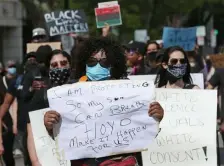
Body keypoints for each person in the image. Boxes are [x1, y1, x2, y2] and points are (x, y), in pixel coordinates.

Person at [43, 37, 164, 166]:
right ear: (84, 64)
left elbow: (147, 134)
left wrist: (157, 117)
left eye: (104, 62)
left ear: (113, 64)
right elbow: (64, 136)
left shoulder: (131, 93)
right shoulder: (70, 95)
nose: (98, 66)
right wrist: (50, 125)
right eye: (91, 61)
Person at [26, 49, 72, 166]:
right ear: (49, 69)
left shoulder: (81, 89)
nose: (60, 67)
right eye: (54, 65)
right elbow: (32, 130)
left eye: (63, 63)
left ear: (70, 65)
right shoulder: (42, 95)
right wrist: (35, 162)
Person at [0, 61, 17, 166]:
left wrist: (15, 123)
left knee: (8, 156)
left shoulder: (5, 81)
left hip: (6, 124)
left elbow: (13, 101)